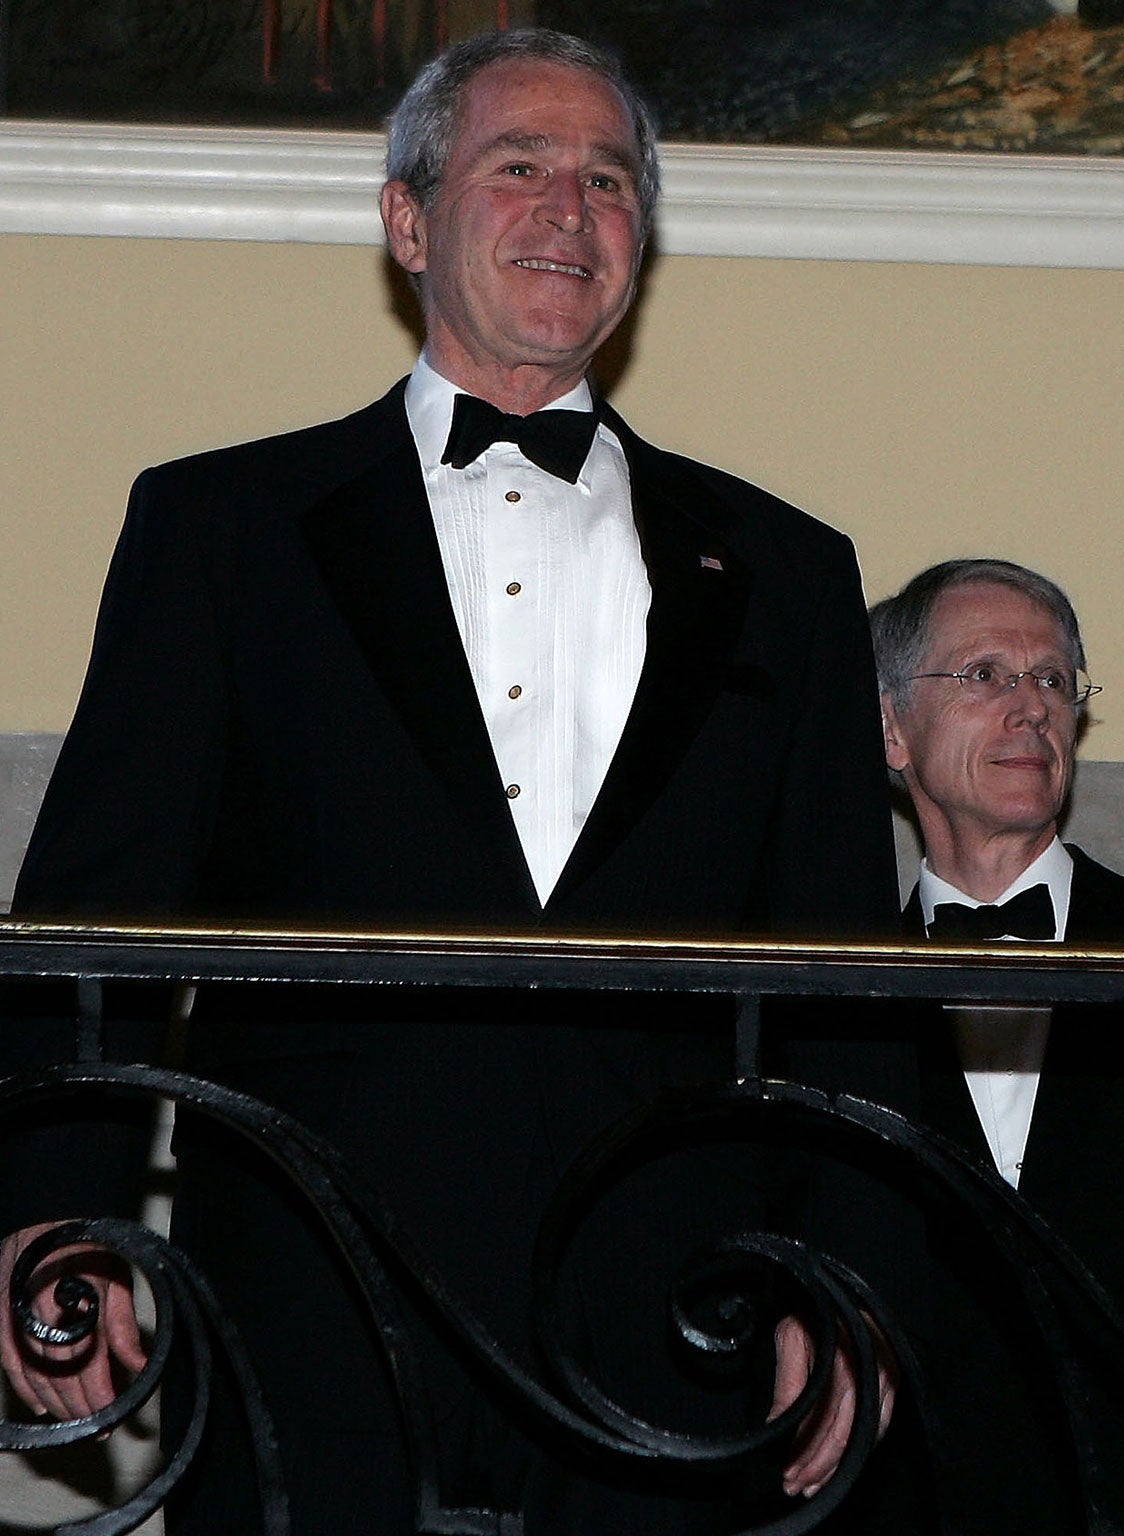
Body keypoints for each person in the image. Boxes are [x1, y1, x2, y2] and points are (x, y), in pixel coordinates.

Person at [0, 28, 903, 1534]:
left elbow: (840, 975)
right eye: (520, 166)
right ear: (408, 220)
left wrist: (847, 1275)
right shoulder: (223, 527)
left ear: (641, 241)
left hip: (676, 1317)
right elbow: (101, 908)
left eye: (608, 178)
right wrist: (47, 1218)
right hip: (306, 1301)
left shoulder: (792, 575)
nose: (570, 206)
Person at [869, 557, 1124, 1534]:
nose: (1028, 707)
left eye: (1050, 680)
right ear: (890, 731)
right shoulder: (829, 985)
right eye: (983, 675)